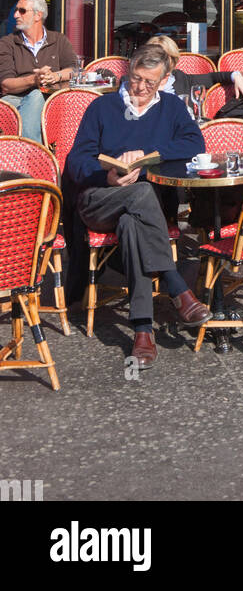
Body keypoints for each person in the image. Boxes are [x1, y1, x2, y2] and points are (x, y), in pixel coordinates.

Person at [66, 45, 212, 368]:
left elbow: (194, 144)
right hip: (98, 200)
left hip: (140, 211)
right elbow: (74, 161)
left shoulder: (172, 107)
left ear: (164, 80)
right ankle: (177, 286)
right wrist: (107, 174)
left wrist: (145, 156)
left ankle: (143, 331)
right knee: (142, 194)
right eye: (136, 79)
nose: (141, 87)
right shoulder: (103, 107)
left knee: (134, 222)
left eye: (150, 81)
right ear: (128, 72)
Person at [0, 0, 78, 141]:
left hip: (52, 99)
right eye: (16, 10)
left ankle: (28, 152)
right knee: (36, 95)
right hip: (16, 99)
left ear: (38, 15)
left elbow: (74, 69)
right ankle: (33, 155)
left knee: (39, 96)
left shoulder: (59, 40)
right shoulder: (7, 43)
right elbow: (6, 85)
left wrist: (55, 76)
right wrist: (34, 80)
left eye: (22, 11)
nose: (16, 14)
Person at [144, 35, 243, 102]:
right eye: (155, 57)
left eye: (165, 57)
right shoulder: (136, 83)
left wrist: (236, 76)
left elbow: (212, 77)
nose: (160, 62)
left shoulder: (181, 78)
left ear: (173, 60)